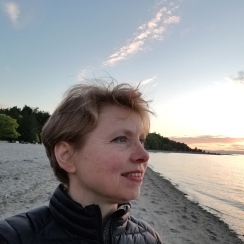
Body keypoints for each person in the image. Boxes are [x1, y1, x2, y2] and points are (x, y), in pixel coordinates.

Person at [0, 81, 162, 244]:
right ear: (67, 156)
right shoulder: (12, 237)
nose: (144, 155)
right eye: (121, 139)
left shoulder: (149, 238)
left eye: (141, 140)